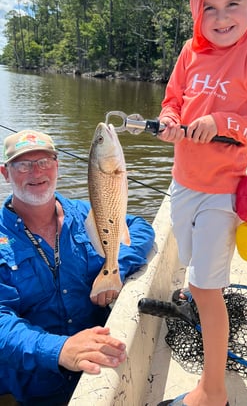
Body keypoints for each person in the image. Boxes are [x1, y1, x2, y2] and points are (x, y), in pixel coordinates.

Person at [157, 0, 247, 406]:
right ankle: (210, 329)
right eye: (209, 7)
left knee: (203, 287)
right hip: (182, 185)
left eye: (233, 4)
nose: (222, 17)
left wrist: (224, 121)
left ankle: (213, 393)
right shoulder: (190, 53)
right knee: (193, 273)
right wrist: (171, 120)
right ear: (197, 10)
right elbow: (172, 99)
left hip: (223, 193)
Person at [0, 129, 155, 405]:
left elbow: (140, 227)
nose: (36, 172)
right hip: (36, 384)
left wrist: (114, 267)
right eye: (23, 165)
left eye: (44, 161)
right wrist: (60, 349)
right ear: (5, 173)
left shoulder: (86, 213)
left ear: (57, 165)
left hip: (98, 365)